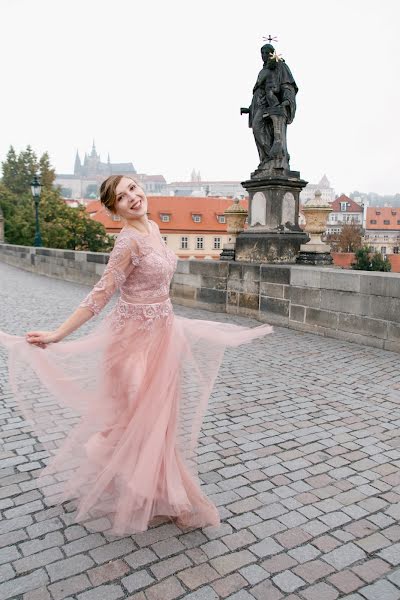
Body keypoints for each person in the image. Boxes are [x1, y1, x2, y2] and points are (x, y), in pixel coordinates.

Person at [0, 175, 272, 534]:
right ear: (114, 211)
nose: (131, 197)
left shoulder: (156, 228)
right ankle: (149, 484)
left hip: (163, 335)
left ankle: (155, 487)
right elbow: (100, 294)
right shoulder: (127, 242)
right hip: (131, 342)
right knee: (141, 414)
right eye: (121, 197)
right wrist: (57, 334)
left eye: (132, 188)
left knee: (161, 419)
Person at [241, 43, 298, 173]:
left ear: (272, 53)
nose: (264, 56)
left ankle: (274, 158)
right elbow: (258, 91)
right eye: (262, 53)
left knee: (261, 129)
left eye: (267, 53)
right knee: (258, 130)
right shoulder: (263, 70)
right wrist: (249, 109)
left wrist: (287, 101)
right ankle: (266, 158)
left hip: (272, 105)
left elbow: (288, 85)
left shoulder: (281, 67)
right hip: (258, 105)